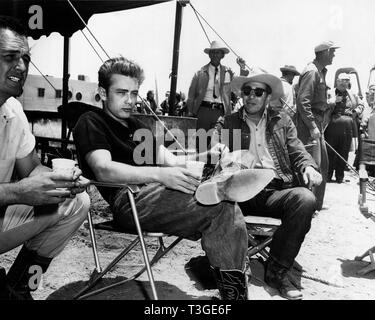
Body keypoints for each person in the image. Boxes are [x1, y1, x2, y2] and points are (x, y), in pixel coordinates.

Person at [73, 56, 251, 300]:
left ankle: (233, 294)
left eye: (134, 93)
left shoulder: (135, 125)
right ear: (103, 93)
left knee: (225, 204)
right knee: (219, 205)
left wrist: (207, 155)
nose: (130, 100)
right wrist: (160, 175)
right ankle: (233, 294)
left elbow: (172, 160)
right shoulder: (91, 121)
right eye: (122, 92)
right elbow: (104, 169)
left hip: (156, 194)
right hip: (129, 199)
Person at [0, 15, 90, 300]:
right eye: (10, 57)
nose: (22, 67)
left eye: (25, 58)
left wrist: (59, 180)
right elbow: (21, 187)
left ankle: (20, 286)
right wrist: (19, 192)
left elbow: (31, 168)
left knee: (75, 201)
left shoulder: (13, 110)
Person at [211, 71, 322, 300]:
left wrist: (309, 167)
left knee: (306, 199)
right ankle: (231, 272)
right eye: (247, 91)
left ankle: (277, 272)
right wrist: (217, 150)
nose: (251, 96)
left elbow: (297, 150)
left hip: (274, 190)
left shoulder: (282, 120)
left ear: (267, 97)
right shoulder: (229, 121)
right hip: (240, 192)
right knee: (217, 200)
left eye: (258, 92)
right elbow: (215, 142)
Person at [296, 40, 339, 211]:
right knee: (310, 164)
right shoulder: (312, 72)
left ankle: (315, 204)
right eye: (332, 52)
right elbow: (302, 101)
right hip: (310, 122)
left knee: (322, 164)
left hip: (317, 120)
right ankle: (306, 205)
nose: (334, 55)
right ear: (325, 52)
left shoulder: (319, 71)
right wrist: (312, 126)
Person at [325, 73, 364, 183]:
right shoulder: (329, 93)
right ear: (337, 81)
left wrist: (356, 112)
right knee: (330, 151)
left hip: (347, 127)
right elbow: (322, 104)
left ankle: (339, 177)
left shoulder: (352, 94)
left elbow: (361, 105)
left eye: (346, 81)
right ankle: (328, 176)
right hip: (332, 125)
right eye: (342, 81)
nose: (344, 83)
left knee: (344, 151)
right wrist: (331, 102)